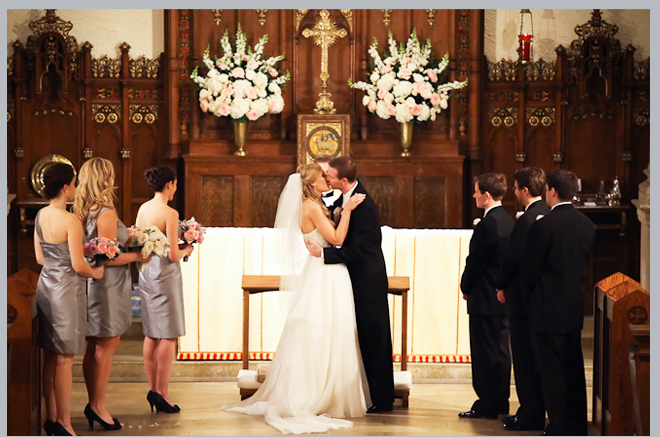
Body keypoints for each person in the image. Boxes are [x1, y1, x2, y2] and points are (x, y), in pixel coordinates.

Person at [223, 163, 369, 434]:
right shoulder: (311, 207)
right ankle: (319, 392)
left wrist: (337, 212)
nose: (326, 179)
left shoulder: (314, 204)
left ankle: (328, 388)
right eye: (322, 178)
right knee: (324, 330)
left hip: (322, 270)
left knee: (326, 329)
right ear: (312, 184)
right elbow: (336, 238)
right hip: (326, 273)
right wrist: (347, 211)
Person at [306, 156, 395, 414]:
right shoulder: (345, 198)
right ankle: (368, 393)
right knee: (363, 339)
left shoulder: (363, 205)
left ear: (343, 180)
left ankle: (383, 398)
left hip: (368, 281)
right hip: (355, 279)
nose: (326, 179)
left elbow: (359, 251)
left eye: (330, 177)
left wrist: (323, 255)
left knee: (374, 338)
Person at [73, 158, 152, 431]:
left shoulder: (84, 209)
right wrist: (138, 255)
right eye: (110, 176)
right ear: (104, 178)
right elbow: (107, 258)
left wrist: (127, 235)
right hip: (106, 287)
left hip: (93, 286)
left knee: (94, 346)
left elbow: (100, 246)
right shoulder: (105, 212)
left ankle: (93, 403)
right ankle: (98, 406)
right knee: (105, 348)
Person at [519, 169, 595, 436]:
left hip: (546, 310)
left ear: (551, 190)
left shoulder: (544, 226)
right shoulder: (587, 225)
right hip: (574, 309)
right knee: (573, 369)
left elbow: (529, 271)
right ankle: (577, 425)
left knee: (551, 372)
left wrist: (527, 299)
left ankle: (559, 426)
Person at [34, 163, 104, 436]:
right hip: (65, 291)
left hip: (46, 287)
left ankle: (50, 418)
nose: (75, 188)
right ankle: (64, 422)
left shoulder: (41, 215)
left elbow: (41, 258)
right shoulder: (70, 220)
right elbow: (78, 265)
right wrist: (96, 271)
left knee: (50, 357)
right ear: (66, 187)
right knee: (64, 360)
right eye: (74, 183)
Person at [136, 166, 194, 414]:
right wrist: (188, 248)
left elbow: (141, 241)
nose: (176, 188)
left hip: (146, 271)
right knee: (169, 334)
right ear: (169, 184)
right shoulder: (170, 213)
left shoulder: (143, 209)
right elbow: (172, 254)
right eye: (176, 184)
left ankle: (153, 389)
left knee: (151, 333)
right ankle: (163, 393)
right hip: (165, 274)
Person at [495, 167, 549, 431]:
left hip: (521, 301)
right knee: (536, 359)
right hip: (540, 300)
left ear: (524, 190)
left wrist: (501, 284)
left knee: (525, 360)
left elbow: (513, 259)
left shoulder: (527, 220)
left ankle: (529, 414)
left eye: (515, 188)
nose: (513, 193)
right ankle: (535, 409)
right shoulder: (547, 214)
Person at [459, 172, 514, 419]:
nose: (474, 195)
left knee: (484, 353)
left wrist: (465, 286)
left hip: (484, 296)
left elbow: (476, 262)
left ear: (487, 195)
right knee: (501, 351)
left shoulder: (488, 225)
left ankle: (487, 403)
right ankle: (500, 401)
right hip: (502, 296)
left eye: (476, 191)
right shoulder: (508, 220)